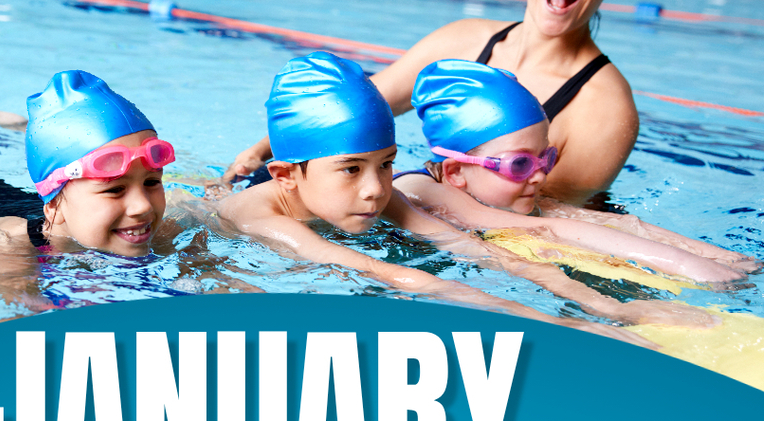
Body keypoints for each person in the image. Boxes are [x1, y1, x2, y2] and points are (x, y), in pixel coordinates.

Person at [214, 52, 723, 332]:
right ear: (286, 177)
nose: (374, 190)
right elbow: (392, 274)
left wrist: (610, 308)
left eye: (386, 165)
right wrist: (563, 328)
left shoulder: (375, 194)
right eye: (351, 170)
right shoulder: (264, 219)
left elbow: (480, 252)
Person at [225, 0, 637, 205]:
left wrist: (415, 190)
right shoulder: (463, 39)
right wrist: (258, 152)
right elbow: (352, 109)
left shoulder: (605, 107)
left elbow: (532, 219)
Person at [394, 61, 752, 291]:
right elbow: (546, 230)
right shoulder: (420, 190)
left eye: (545, 158)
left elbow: (590, 219)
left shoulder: (503, 195)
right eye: (519, 165)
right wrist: (685, 266)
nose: (538, 176)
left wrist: (720, 257)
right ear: (456, 172)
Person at [0, 70, 175, 259]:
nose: (144, 206)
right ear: (53, 207)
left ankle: (19, 125)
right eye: (115, 189)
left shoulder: (160, 230)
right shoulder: (8, 248)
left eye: (152, 181)